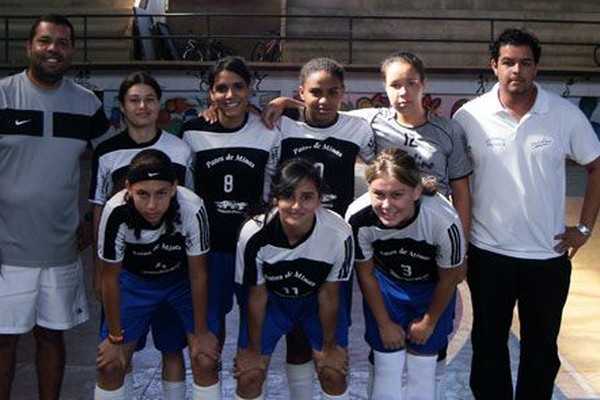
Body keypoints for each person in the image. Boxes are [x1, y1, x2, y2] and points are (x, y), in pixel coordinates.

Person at [263, 51, 471, 398]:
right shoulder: (370, 121)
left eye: (411, 83)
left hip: (429, 241)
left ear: (424, 85)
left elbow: (462, 191)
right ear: (384, 89)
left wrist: (461, 251)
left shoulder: (447, 132)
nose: (403, 92)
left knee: (425, 357)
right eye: (395, 85)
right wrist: (286, 102)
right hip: (380, 246)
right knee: (377, 354)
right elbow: (324, 106)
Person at [453, 28, 600, 399]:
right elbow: (456, 181)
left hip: (547, 257)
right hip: (488, 254)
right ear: (494, 66)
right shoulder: (471, 116)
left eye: (525, 62)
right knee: (488, 347)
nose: (516, 70)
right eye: (508, 62)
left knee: (541, 351)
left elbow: (597, 165)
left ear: (536, 67)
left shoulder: (564, 115)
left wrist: (583, 228)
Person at [0, 14, 109, 400]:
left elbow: (111, 160)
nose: (53, 50)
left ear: (71, 51)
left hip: (61, 249)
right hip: (6, 251)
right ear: (29, 47)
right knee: (4, 342)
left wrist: (89, 217)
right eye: (45, 41)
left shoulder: (86, 104)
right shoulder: (3, 95)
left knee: (51, 336)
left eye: (62, 43)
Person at [89, 71, 193, 399]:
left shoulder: (179, 149)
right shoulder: (106, 153)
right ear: (122, 106)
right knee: (119, 352)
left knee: (172, 349)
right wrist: (98, 270)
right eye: (134, 100)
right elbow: (97, 211)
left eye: (149, 99)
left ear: (159, 104)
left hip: (172, 271)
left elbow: (187, 210)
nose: (143, 106)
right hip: (127, 273)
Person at [180, 55, 280, 394]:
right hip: (210, 253)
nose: (230, 94)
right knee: (207, 348)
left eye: (238, 86)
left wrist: (279, 102)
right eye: (221, 88)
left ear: (250, 89)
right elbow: (187, 194)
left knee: (253, 346)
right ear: (210, 93)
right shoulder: (193, 132)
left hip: (253, 252)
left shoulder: (267, 131)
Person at [94, 149, 220, 400]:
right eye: (142, 194)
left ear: (174, 187)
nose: (152, 205)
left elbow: (198, 275)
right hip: (133, 283)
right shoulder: (115, 211)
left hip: (179, 282)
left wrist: (202, 331)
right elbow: (109, 278)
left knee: (205, 359)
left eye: (161, 193)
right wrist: (115, 338)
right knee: (110, 365)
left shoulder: (192, 207)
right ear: (128, 188)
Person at [345, 148, 465, 400]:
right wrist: (383, 323)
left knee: (422, 368)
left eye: (397, 195)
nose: (387, 205)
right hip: (387, 288)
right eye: (378, 194)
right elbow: (365, 275)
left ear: (416, 191)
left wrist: (429, 321)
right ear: (368, 188)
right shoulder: (358, 217)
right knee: (387, 366)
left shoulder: (442, 219)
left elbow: (450, 277)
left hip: (432, 289)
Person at [234, 158, 354, 400]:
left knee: (333, 371)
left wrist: (330, 348)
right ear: (275, 198)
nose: (296, 205)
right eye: (288, 196)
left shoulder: (339, 234)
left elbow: (330, 295)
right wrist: (254, 351)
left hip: (314, 301)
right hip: (272, 302)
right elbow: (256, 295)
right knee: (250, 375)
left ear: (320, 200)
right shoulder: (254, 233)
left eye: (307, 197)